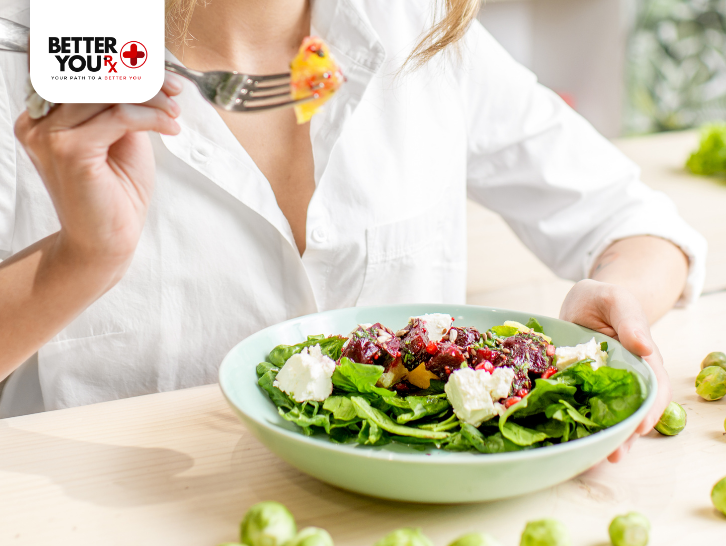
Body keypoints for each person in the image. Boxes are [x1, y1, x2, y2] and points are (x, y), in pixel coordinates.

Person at [0, 0, 706, 462]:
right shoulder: (23, 53)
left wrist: (615, 312)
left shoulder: (416, 27)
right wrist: (82, 260)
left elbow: (638, 226)